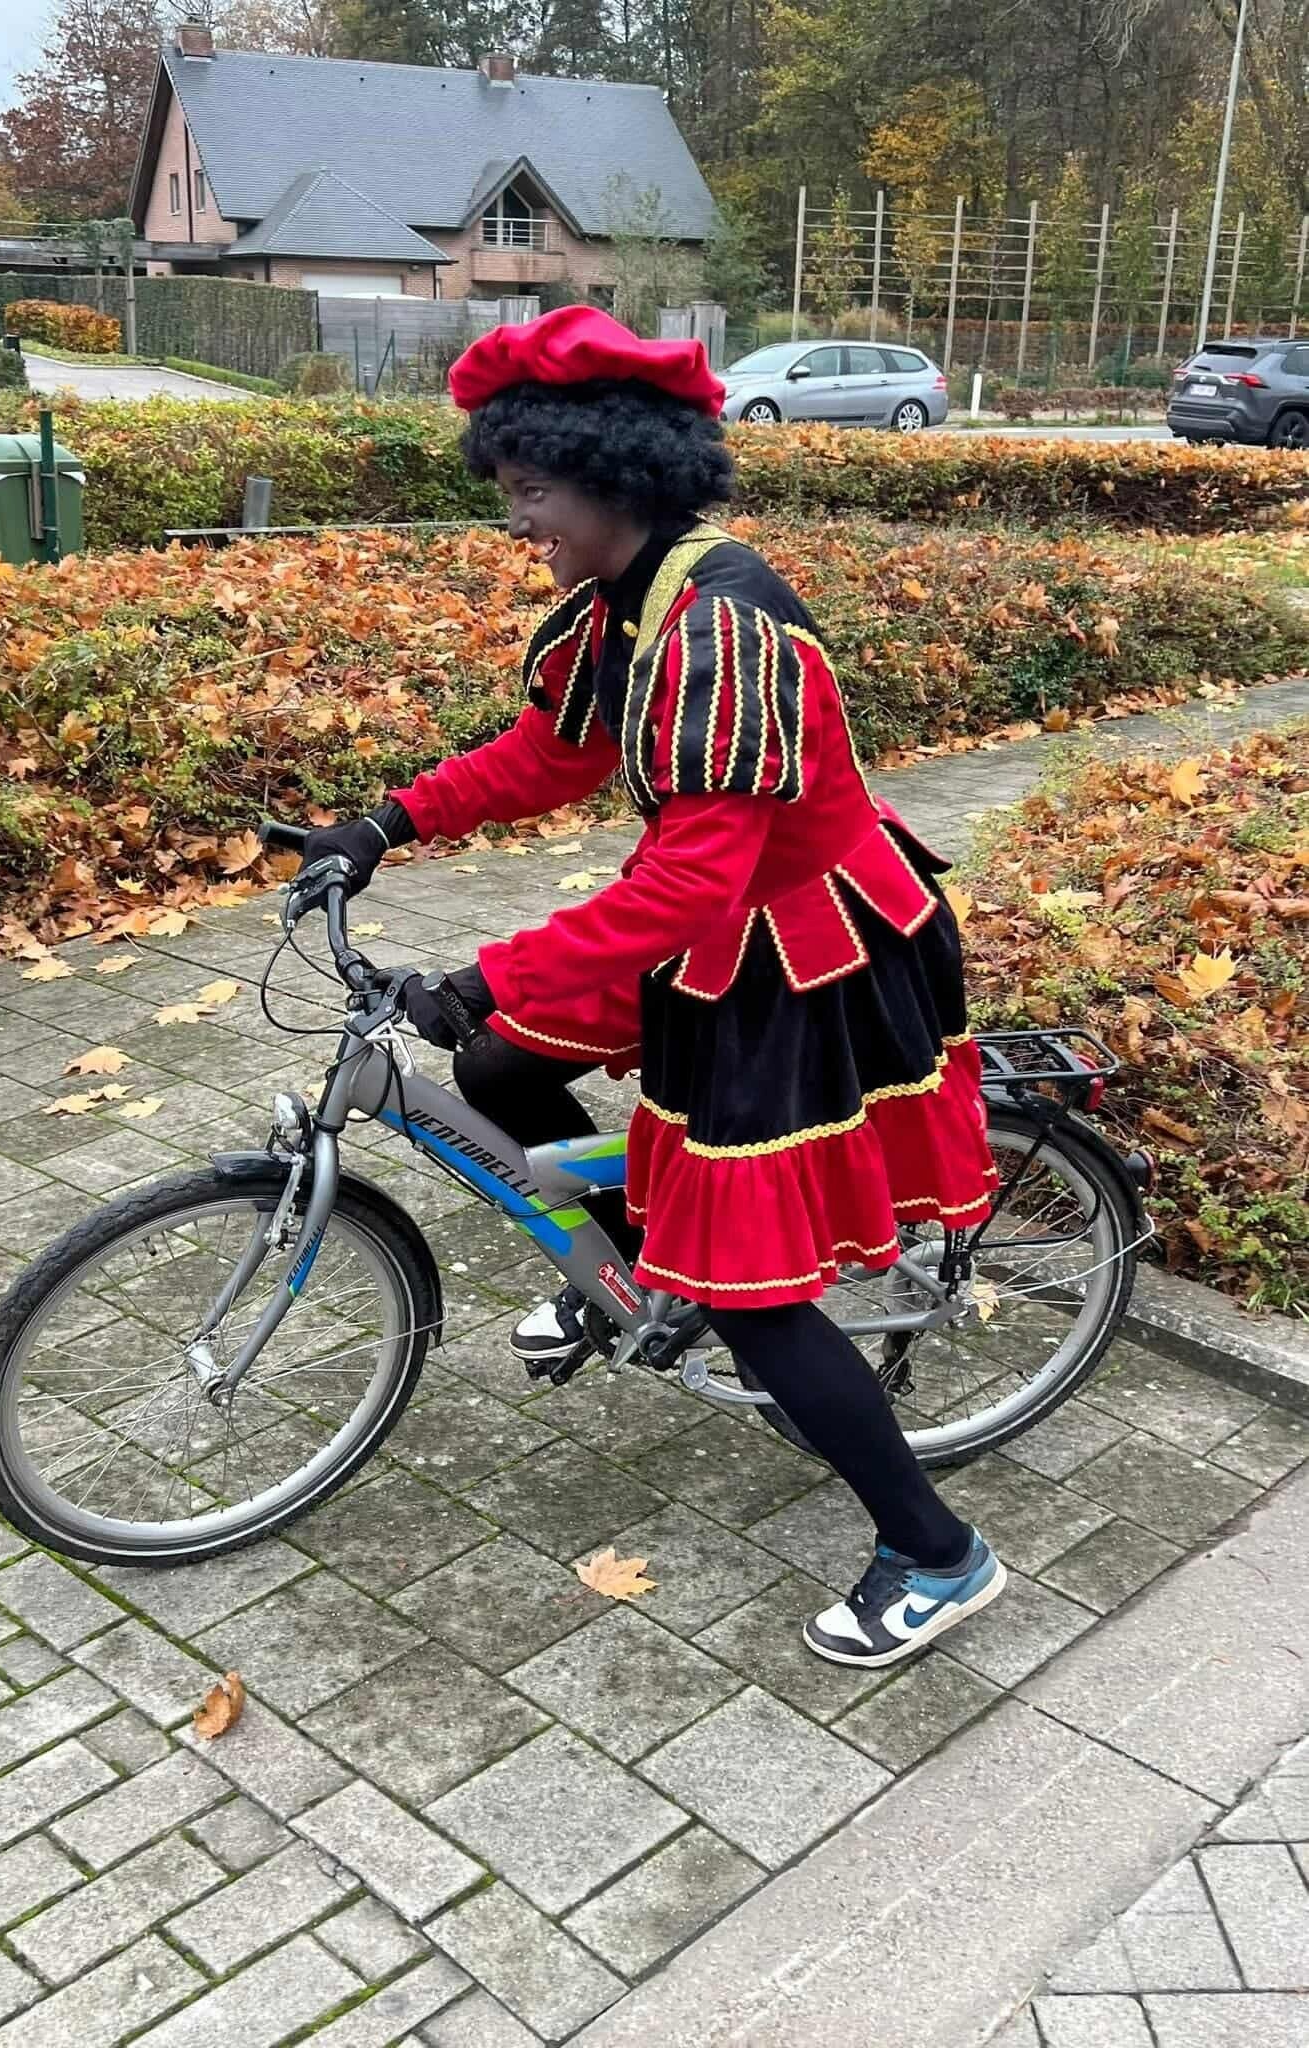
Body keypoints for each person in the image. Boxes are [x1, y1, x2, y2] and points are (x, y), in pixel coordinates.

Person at [305, 305, 1006, 1668]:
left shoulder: (720, 625)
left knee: (754, 1297)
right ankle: (640, 1274)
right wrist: (386, 824)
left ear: (612, 475)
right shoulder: (629, 599)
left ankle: (937, 1552)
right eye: (509, 492)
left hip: (804, 954)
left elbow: (688, 884)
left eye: (531, 492)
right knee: (501, 1066)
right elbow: (550, 753)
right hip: (719, 926)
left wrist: (486, 971)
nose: (516, 522)